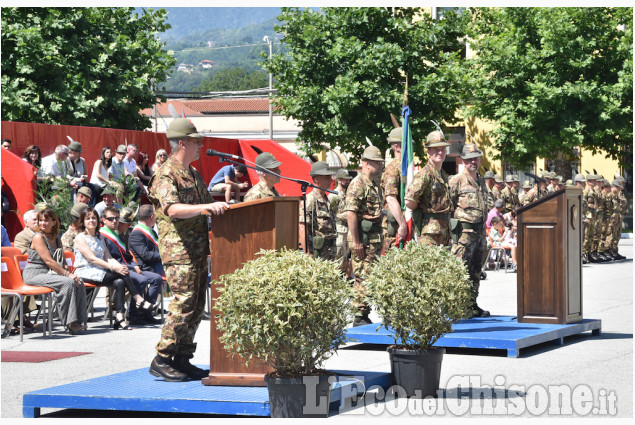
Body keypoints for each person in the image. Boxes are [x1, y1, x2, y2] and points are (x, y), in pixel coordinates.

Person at [147, 118, 229, 382]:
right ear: (182, 143)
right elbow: (172, 209)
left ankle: (182, 357)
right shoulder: (165, 174)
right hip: (178, 251)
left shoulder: (192, 174)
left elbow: (208, 203)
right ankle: (161, 358)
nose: (200, 146)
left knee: (195, 306)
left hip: (196, 250)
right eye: (196, 142)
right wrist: (206, 209)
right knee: (183, 303)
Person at [73, 207, 152, 330]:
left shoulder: (100, 237)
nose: (91, 221)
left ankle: (119, 316)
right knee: (120, 273)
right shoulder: (80, 238)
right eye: (87, 218)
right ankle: (138, 298)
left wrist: (119, 266)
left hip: (100, 270)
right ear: (83, 222)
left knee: (120, 280)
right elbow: (92, 259)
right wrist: (114, 268)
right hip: (86, 270)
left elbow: (108, 257)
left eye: (93, 218)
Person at [23, 208, 87, 334]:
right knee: (67, 283)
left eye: (46, 220)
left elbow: (61, 259)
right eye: (40, 220)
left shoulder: (57, 239)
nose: (42, 223)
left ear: (54, 222)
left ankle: (79, 320)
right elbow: (48, 261)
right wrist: (67, 274)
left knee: (79, 281)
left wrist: (68, 270)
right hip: (35, 273)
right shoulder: (38, 237)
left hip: (49, 273)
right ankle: (70, 323)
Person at [101, 206, 162, 326]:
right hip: (115, 268)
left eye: (117, 218)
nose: (115, 221)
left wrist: (134, 265)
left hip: (128, 266)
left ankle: (146, 313)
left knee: (156, 278)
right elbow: (110, 259)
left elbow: (127, 256)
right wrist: (131, 266)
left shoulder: (117, 235)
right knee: (142, 279)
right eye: (111, 218)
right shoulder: (103, 235)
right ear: (104, 220)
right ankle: (134, 315)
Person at [449, 143, 490, 318]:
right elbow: (448, 207)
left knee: (475, 271)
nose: (473, 161)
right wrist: (451, 236)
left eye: (476, 158)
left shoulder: (481, 181)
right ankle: (456, 307)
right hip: (463, 235)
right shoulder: (456, 180)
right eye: (469, 159)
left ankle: (471, 304)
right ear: (463, 161)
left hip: (479, 234)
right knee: (460, 271)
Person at [346, 146, 384, 327]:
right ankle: (359, 315)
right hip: (363, 239)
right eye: (378, 162)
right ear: (367, 163)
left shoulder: (375, 184)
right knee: (362, 276)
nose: (381, 165)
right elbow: (351, 213)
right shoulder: (358, 183)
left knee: (370, 276)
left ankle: (365, 313)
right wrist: (356, 242)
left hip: (373, 239)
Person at [404, 130, 452, 246]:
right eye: (436, 149)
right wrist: (423, 208)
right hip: (429, 232)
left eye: (442, 149)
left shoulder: (443, 175)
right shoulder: (425, 174)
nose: (440, 152)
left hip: (444, 230)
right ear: (428, 152)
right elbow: (409, 201)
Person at [299, 161, 337, 260]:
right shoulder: (310, 200)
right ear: (316, 179)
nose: (331, 179)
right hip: (318, 254)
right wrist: (308, 254)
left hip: (330, 252)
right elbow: (303, 228)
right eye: (327, 177)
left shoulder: (326, 199)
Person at [380, 127, 408, 251]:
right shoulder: (393, 170)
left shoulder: (405, 168)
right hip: (395, 227)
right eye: (407, 146)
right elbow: (390, 198)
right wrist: (402, 224)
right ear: (397, 147)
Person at [329, 168, 353, 276]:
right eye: (345, 180)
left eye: (348, 180)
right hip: (338, 230)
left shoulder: (348, 195)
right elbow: (331, 215)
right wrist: (347, 215)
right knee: (337, 256)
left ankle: (342, 277)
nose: (347, 182)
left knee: (344, 257)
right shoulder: (334, 195)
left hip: (347, 230)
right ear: (339, 180)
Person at [129, 205, 164, 276]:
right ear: (151, 217)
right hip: (149, 267)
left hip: (156, 263)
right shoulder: (136, 234)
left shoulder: (151, 230)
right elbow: (146, 255)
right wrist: (164, 256)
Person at [66, 140, 98, 206]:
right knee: (82, 187)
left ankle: (91, 206)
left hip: (80, 181)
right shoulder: (66, 160)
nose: (80, 154)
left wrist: (84, 177)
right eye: (78, 152)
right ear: (73, 152)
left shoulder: (80, 160)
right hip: (70, 182)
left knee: (94, 187)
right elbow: (65, 176)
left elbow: (85, 174)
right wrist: (78, 179)